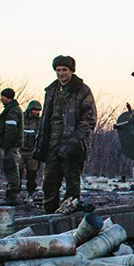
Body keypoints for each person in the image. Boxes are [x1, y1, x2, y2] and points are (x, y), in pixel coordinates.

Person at [33, 55, 96, 214]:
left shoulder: (82, 90)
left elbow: (90, 117)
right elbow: (46, 117)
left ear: (71, 71)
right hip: (51, 142)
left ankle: (70, 217)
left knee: (72, 183)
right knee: (49, 182)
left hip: (72, 143)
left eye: (64, 70)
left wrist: (77, 138)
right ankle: (49, 216)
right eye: (58, 70)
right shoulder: (51, 90)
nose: (61, 73)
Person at [0, 88, 24, 205]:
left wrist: (6, 145)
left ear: (6, 97)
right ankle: (12, 195)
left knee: (11, 168)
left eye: (2, 96)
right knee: (11, 168)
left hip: (10, 147)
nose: (1, 99)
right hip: (11, 146)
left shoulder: (12, 111)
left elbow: (11, 130)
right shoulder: (12, 109)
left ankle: (11, 196)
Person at [20, 100, 43, 198]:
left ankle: (30, 193)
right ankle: (16, 192)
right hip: (20, 150)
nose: (36, 112)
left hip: (33, 152)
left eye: (38, 110)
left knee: (32, 174)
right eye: (34, 110)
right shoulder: (21, 119)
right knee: (17, 173)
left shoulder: (40, 121)